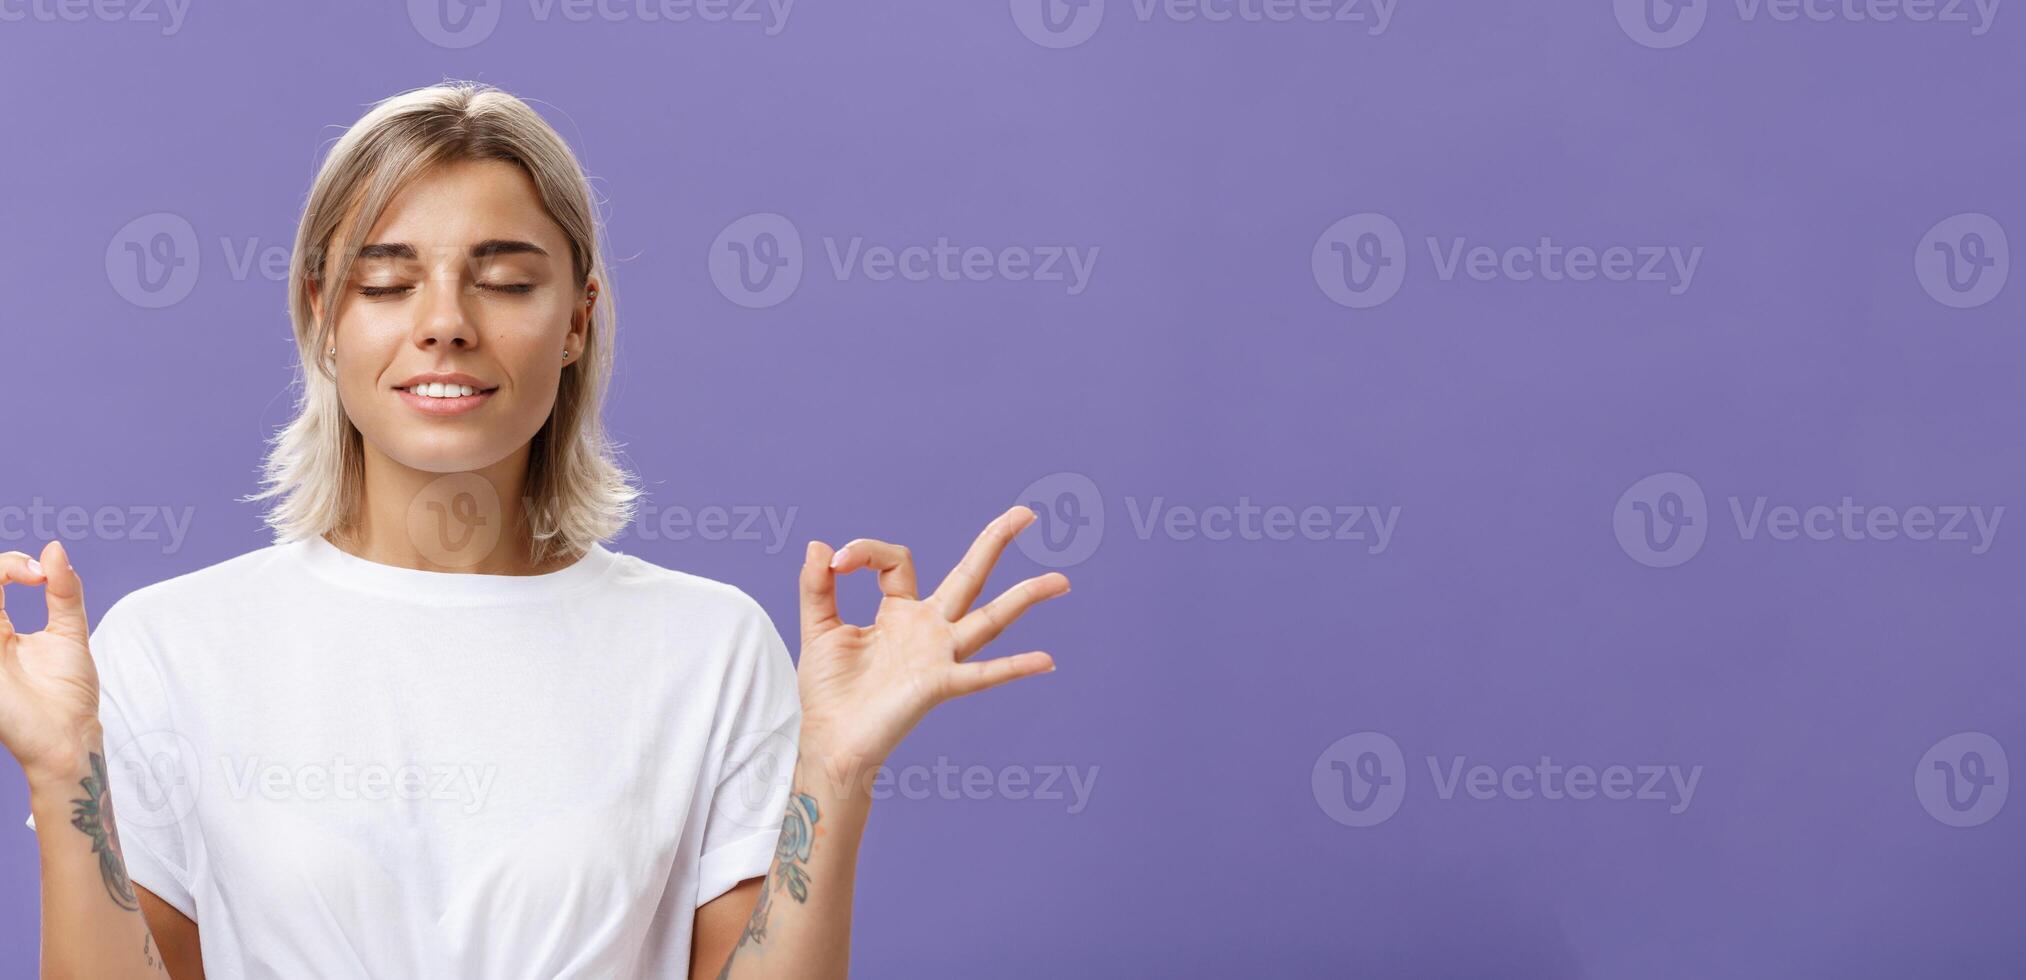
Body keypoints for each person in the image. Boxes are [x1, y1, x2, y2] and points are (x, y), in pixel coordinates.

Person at [0, 81, 1069, 979]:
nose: (447, 320)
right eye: (386, 280)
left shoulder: (706, 646)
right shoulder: (170, 646)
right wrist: (61, 771)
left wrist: (833, 767)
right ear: (323, 314)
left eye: (506, 279)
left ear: (578, 319)